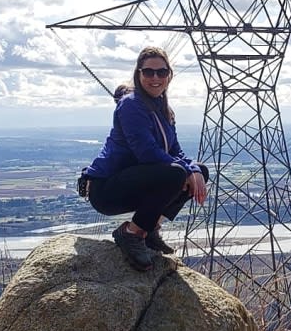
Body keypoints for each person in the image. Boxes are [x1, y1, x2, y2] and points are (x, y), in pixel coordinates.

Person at [84, 46, 209, 271]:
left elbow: (175, 151)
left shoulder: (163, 109)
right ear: (138, 74)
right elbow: (147, 152)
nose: (155, 77)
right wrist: (186, 171)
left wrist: (195, 171)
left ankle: (149, 229)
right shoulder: (131, 105)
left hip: (134, 182)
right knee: (177, 174)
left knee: (199, 170)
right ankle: (130, 234)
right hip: (106, 189)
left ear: (169, 75)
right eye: (148, 72)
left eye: (161, 72)